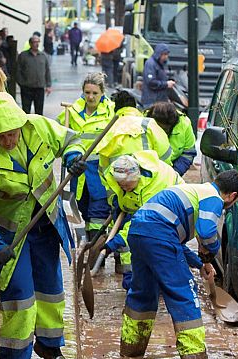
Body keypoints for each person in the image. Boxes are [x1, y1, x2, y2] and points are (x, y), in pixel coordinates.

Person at [0, 92, 87, 359]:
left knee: (50, 290)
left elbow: (72, 139)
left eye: (13, 133)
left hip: (45, 227)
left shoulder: (39, 128)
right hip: (9, 236)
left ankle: (50, 347)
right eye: (3, 136)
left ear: (21, 123)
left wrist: (72, 158)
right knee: (19, 294)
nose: (9, 141)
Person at [121, 170, 238, 359]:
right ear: (232, 196)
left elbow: (175, 245)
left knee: (142, 292)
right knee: (185, 293)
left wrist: (202, 263)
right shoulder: (213, 198)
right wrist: (212, 250)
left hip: (138, 231)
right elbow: (206, 232)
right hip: (159, 234)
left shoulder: (194, 191)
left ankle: (131, 350)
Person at [65, 90, 172, 280]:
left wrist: (114, 196)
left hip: (123, 191)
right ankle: (151, 273)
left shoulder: (110, 128)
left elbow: (103, 168)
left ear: (116, 108)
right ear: (136, 107)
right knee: (154, 228)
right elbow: (166, 157)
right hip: (153, 187)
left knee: (124, 227)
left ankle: (126, 270)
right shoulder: (149, 124)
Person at [101, 151, 184, 289]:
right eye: (121, 185)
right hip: (141, 206)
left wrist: (116, 241)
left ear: (138, 178)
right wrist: (119, 201)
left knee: (157, 243)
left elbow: (140, 223)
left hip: (171, 208)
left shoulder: (153, 188)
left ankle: (165, 282)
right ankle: (134, 280)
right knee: (135, 242)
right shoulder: (113, 172)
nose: (124, 188)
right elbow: (116, 191)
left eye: (128, 185)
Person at [56, 73, 115, 239]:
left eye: (95, 93)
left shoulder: (111, 112)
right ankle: (92, 240)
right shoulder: (72, 112)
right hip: (79, 173)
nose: (90, 97)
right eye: (87, 92)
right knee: (85, 210)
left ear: (102, 93)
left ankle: (97, 249)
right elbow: (57, 136)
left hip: (101, 173)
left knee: (98, 211)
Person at [145, 101, 197, 176]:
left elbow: (188, 153)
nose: (163, 132)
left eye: (166, 129)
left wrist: (175, 172)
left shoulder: (184, 124)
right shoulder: (142, 123)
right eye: (159, 128)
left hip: (174, 170)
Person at [16, 35, 52, 115]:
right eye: (34, 42)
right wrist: (21, 83)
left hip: (39, 88)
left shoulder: (43, 56)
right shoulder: (23, 56)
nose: (36, 44)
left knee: (39, 111)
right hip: (27, 88)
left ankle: (38, 127)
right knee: (26, 111)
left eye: (37, 42)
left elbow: (47, 71)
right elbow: (18, 71)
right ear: (30, 43)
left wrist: (48, 85)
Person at [141, 43, 173, 108]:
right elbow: (151, 82)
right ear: (159, 54)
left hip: (159, 101)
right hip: (152, 101)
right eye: (164, 54)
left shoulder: (160, 64)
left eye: (167, 54)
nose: (166, 57)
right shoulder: (150, 64)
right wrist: (166, 84)